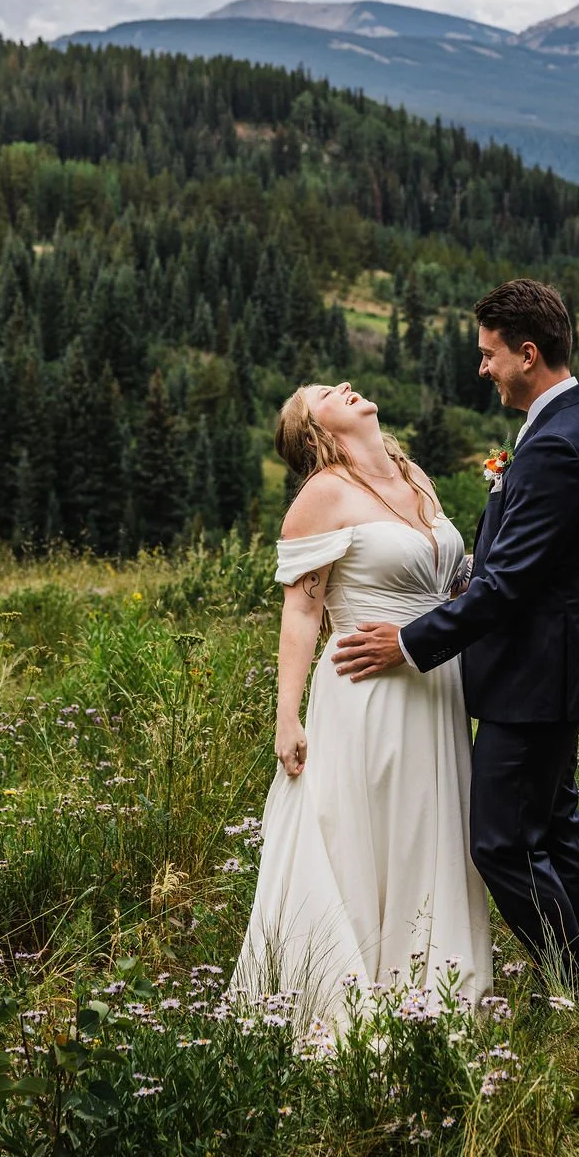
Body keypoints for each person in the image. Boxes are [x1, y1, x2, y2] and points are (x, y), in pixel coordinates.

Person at [333, 280, 579, 994]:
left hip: (533, 678)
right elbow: (512, 561)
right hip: (551, 670)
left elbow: (508, 588)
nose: (483, 369)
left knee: (497, 844)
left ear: (529, 353)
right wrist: (461, 567)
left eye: (491, 355)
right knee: (552, 832)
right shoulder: (570, 421)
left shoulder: (556, 444)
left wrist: (406, 642)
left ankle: (576, 980)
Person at [228, 382, 492, 1025]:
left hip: (436, 685)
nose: (344, 387)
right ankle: (354, 994)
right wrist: (286, 715)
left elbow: (457, 582)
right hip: (368, 694)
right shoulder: (322, 494)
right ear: (313, 430)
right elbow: (302, 609)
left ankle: (435, 993)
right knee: (375, 836)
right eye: (324, 393)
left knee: (434, 834)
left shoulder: (415, 476)